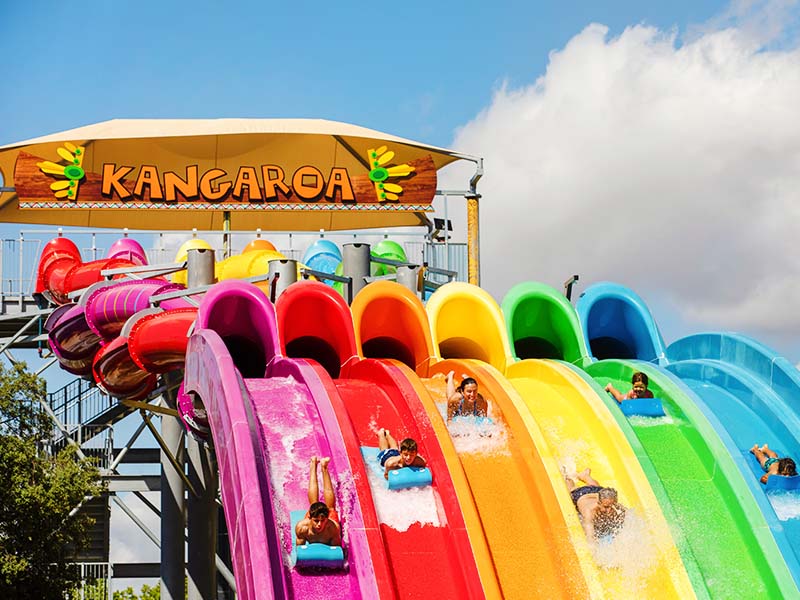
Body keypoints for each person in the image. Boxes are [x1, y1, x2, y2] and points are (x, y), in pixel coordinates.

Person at [562, 467, 627, 540]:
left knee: (596, 487)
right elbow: (590, 537)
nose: (609, 510)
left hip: (598, 491)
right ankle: (566, 476)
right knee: (572, 488)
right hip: (581, 495)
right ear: (598, 503)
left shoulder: (611, 504)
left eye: (612, 506)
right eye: (606, 507)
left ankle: (585, 476)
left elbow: (629, 515)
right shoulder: (589, 512)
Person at [295, 456, 341, 546]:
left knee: (331, 508)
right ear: (309, 518)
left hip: (330, 520)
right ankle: (313, 464)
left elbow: (336, 551)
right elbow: (299, 552)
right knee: (313, 504)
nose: (319, 524)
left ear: (326, 519)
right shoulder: (302, 528)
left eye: (322, 520)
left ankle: (324, 467)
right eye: (316, 521)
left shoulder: (333, 528)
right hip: (311, 522)